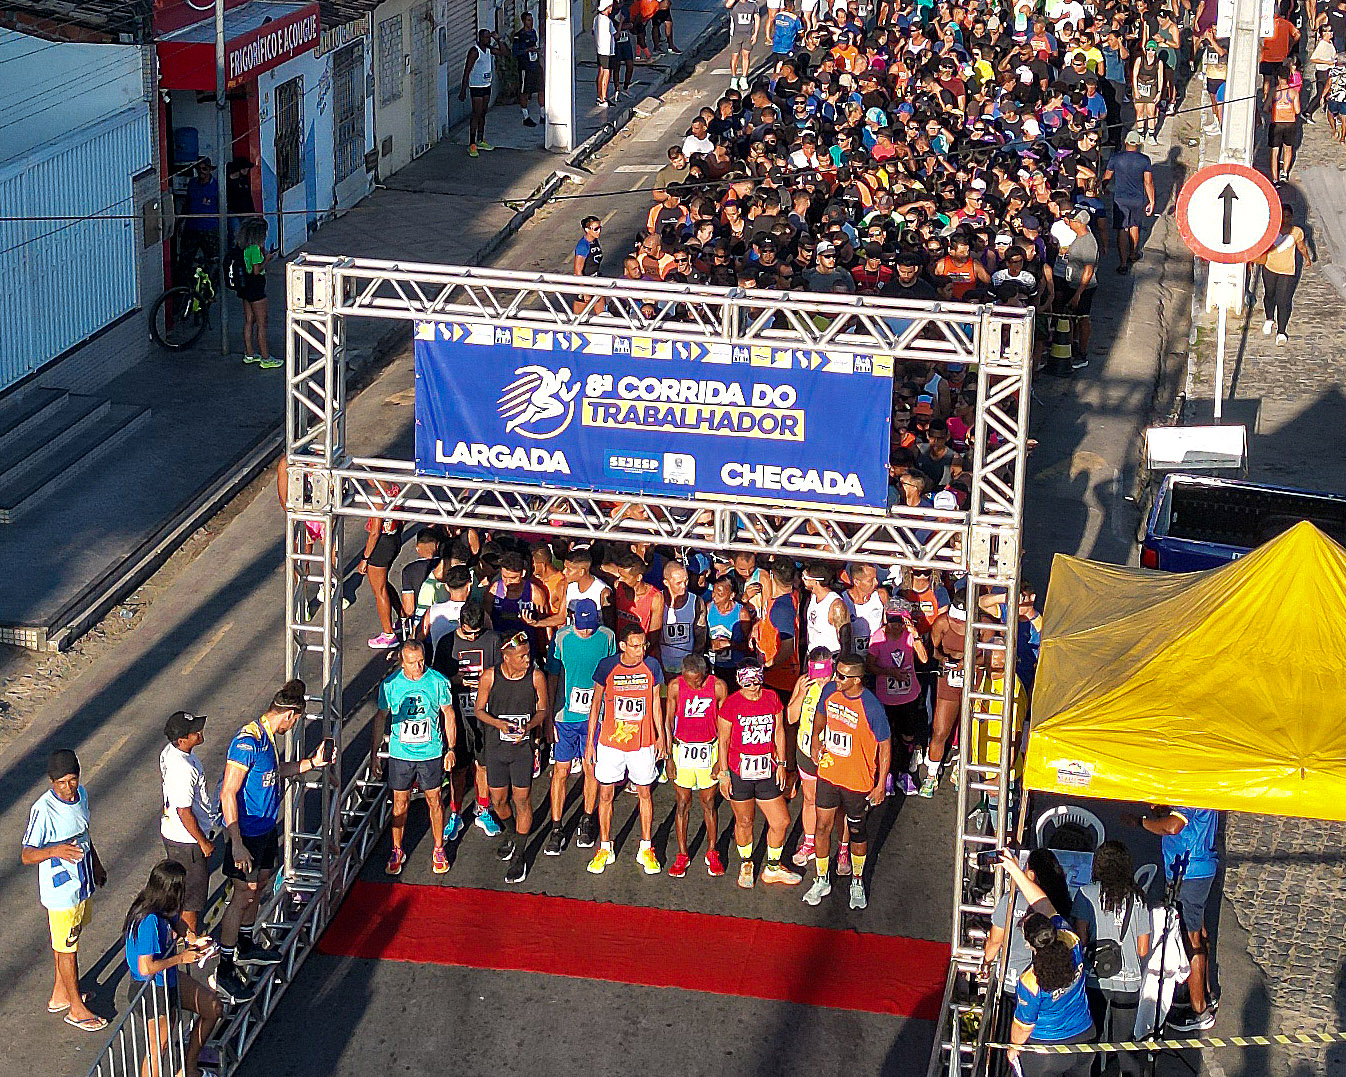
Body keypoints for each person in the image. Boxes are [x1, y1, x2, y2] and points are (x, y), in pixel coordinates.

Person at [216, 680, 333, 1004]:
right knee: (243, 894)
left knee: (262, 883)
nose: (293, 727)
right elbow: (228, 792)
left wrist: (311, 763)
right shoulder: (247, 741)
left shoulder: (267, 739)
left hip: (266, 829)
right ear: (289, 715)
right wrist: (236, 842)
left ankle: (245, 944)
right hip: (246, 833)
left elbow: (274, 771)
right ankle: (224, 969)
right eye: (295, 721)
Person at [22, 749, 108, 1031]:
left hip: (82, 883)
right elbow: (27, 854)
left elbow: (84, 833)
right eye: (61, 782)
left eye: (72, 780)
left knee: (70, 939)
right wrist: (55, 850)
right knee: (67, 948)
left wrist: (96, 864)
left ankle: (61, 993)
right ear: (51, 782)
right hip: (61, 893)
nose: (68, 787)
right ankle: (76, 1009)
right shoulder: (43, 810)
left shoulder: (82, 795)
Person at [1122, 805, 1220, 1031]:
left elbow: (1174, 826)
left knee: (1190, 939)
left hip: (1188, 871)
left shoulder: (1188, 792)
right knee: (1198, 932)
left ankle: (1199, 1010)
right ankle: (1204, 993)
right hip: (1198, 866)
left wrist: (1141, 822)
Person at [804, 655, 891, 909]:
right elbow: (820, 714)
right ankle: (822, 878)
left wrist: (881, 784)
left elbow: (885, 747)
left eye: (842, 676)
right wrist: (815, 739)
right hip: (829, 773)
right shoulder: (830, 690)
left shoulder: (872, 706)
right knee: (822, 827)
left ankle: (857, 880)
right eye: (836, 673)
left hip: (858, 780)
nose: (836, 679)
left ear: (857, 680)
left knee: (856, 831)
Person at [1001, 853, 1097, 1074]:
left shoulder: (1031, 981)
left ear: (1030, 945)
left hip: (1045, 1051)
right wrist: (1014, 869)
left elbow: (1023, 1026)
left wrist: (1013, 1048)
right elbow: (1043, 904)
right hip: (1084, 1038)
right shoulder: (1071, 941)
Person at [123, 861, 221, 1077]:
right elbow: (146, 967)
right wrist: (181, 958)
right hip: (151, 989)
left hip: (167, 979)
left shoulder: (162, 907)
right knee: (158, 1048)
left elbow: (178, 924)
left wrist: (194, 939)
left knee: (212, 1008)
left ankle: (188, 1069)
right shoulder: (148, 920)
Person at [370, 640, 458, 876]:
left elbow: (449, 714)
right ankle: (397, 849)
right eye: (412, 663)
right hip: (401, 754)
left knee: (434, 800)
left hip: (431, 752)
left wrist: (451, 748)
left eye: (421, 661)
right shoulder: (390, 685)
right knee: (399, 803)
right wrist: (374, 754)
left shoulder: (437, 681)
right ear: (402, 662)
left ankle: (439, 848)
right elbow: (380, 718)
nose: (419, 667)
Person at [585, 625, 666, 875]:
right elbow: (595, 704)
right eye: (635, 646)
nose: (641, 650)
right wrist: (590, 742)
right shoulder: (607, 666)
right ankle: (605, 847)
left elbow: (655, 703)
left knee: (645, 793)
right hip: (611, 743)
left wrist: (661, 736)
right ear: (622, 646)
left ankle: (646, 848)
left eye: (644, 645)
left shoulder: (652, 666)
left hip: (643, 742)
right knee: (605, 795)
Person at [716, 660, 801, 888]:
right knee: (745, 821)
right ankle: (746, 862)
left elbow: (780, 731)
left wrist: (782, 763)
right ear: (739, 681)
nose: (752, 687)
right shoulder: (732, 704)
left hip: (767, 770)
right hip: (739, 772)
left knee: (781, 821)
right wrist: (724, 774)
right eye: (747, 683)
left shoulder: (772, 698)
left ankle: (772, 867)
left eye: (756, 682)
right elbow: (723, 741)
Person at [475, 631, 550, 883]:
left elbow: (542, 709)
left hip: (522, 750)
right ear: (506, 657)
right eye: (522, 656)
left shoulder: (536, 677)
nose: (527, 660)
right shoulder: (490, 677)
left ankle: (520, 854)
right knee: (498, 801)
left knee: (522, 800)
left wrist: (528, 728)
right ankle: (511, 832)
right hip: (496, 748)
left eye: (528, 655)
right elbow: (479, 710)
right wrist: (499, 724)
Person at [1072, 842, 1151, 1077]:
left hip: (1095, 979)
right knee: (1125, 1045)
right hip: (1129, 982)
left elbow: (1080, 940)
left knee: (1091, 1042)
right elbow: (1143, 948)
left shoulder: (1086, 894)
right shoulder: (1138, 898)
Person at [545, 599, 616, 855]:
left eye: (591, 626)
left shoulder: (607, 636)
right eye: (583, 626)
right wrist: (548, 717)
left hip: (595, 716)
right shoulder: (561, 638)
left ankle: (586, 818)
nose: (587, 631)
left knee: (590, 767)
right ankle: (556, 826)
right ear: (573, 619)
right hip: (565, 716)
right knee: (561, 770)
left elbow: (612, 675)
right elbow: (552, 677)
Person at [433, 600, 504, 838]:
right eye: (468, 633)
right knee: (459, 768)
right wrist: (457, 680)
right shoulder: (446, 643)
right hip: (459, 715)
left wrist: (486, 682)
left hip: (486, 714)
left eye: (477, 633)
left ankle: (482, 809)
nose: (473, 637)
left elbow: (502, 672)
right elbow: (437, 680)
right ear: (460, 624)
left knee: (483, 765)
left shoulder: (493, 639)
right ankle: (455, 813)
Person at [665, 653, 728, 877]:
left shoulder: (718, 687)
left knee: (709, 802)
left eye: (699, 681)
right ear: (683, 674)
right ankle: (682, 854)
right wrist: (668, 756)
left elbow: (725, 725)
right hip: (682, 749)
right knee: (682, 802)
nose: (695, 685)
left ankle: (712, 851)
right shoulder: (675, 687)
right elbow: (668, 721)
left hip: (708, 748)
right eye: (691, 681)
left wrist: (721, 759)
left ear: (705, 673)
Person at [159, 711, 217, 936]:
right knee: (191, 900)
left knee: (180, 891)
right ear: (181, 739)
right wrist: (203, 842)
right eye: (194, 732)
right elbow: (184, 811)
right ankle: (189, 941)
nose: (199, 732)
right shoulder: (184, 769)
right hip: (188, 842)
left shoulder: (169, 753)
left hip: (173, 833)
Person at [867, 597, 928, 789]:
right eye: (892, 621)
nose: (895, 627)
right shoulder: (878, 637)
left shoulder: (910, 636)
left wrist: (915, 636)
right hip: (886, 698)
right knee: (888, 737)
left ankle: (904, 772)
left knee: (907, 737)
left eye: (900, 622)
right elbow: (870, 666)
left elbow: (924, 659)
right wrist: (890, 672)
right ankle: (888, 774)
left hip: (909, 696)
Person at [785, 647, 833, 867]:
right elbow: (791, 718)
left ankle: (841, 847)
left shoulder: (839, 685)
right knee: (810, 798)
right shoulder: (804, 683)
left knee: (835, 803)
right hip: (806, 752)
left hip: (831, 754)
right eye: (818, 676)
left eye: (825, 676)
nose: (822, 681)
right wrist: (801, 695)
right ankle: (809, 842)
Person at [1255, 204, 1313, 344]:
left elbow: (1301, 246)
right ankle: (1269, 318)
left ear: (1291, 217)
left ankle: (1281, 331)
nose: (1285, 220)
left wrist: (1307, 258)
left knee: (1283, 300)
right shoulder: (1271, 230)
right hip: (1270, 267)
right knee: (1270, 295)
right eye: (1283, 216)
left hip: (1287, 270)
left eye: (1288, 217)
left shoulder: (1297, 232)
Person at [1053, 207, 1099, 368]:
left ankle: (1082, 354)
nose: (1069, 223)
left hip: (1083, 287)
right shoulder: (1079, 238)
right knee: (1072, 317)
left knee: (1083, 318)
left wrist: (1079, 293)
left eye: (1072, 220)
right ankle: (1072, 346)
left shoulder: (1088, 242)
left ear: (1079, 223)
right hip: (1071, 284)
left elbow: (1088, 270)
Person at [357, 484, 403, 649]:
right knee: (383, 583)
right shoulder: (395, 489)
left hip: (381, 545)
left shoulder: (378, 498)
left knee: (379, 590)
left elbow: (375, 532)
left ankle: (388, 634)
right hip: (394, 540)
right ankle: (403, 617)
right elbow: (402, 518)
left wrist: (365, 558)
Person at [1103, 132, 1155, 273]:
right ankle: (1133, 253)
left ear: (1125, 142)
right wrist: (1151, 201)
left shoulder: (1116, 158)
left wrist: (1103, 188)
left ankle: (1123, 263)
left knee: (1122, 228)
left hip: (1120, 199)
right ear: (1138, 145)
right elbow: (1148, 182)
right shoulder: (1144, 160)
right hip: (1137, 199)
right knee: (1134, 226)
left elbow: (1107, 177)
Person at [235, 216, 276, 368]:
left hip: (245, 287)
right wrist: (267, 259)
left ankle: (249, 353)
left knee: (249, 321)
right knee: (262, 323)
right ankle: (266, 358)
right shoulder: (255, 249)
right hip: (256, 288)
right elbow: (257, 270)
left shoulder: (244, 248)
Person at [460, 29, 507, 157]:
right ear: (480, 38)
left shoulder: (489, 50)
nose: (488, 40)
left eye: (489, 37)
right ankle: (472, 143)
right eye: (486, 37)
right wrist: (463, 89)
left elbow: (503, 53)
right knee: (476, 113)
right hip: (476, 86)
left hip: (486, 85)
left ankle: (480, 139)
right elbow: (467, 70)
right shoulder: (475, 51)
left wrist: (498, 40)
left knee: (483, 113)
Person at [178, 157, 220, 273]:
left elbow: (221, 206)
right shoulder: (192, 183)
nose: (201, 171)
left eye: (204, 169)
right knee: (185, 260)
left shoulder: (217, 186)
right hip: (192, 227)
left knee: (213, 261)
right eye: (198, 169)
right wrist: (180, 222)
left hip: (209, 229)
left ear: (210, 170)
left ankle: (212, 283)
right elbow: (187, 204)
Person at [1267, 63, 1302, 182]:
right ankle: (1284, 173)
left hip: (1276, 123)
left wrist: (1275, 109)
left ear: (1278, 77)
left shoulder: (1273, 91)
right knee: (1288, 149)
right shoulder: (1294, 92)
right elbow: (1297, 110)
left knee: (1274, 152)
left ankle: (1274, 178)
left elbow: (1266, 108)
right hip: (1289, 123)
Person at [1130, 41, 1166, 143]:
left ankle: (1151, 134)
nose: (1150, 52)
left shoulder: (1159, 63)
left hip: (1151, 87)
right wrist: (1136, 91)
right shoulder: (1140, 60)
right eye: (1148, 49)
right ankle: (1141, 133)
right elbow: (1134, 75)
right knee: (1140, 111)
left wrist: (1159, 92)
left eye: (1153, 50)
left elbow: (1160, 78)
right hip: (1140, 86)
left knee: (1151, 112)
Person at [514, 12, 545, 127]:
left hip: (535, 66)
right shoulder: (519, 36)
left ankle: (542, 115)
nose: (530, 22)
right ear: (523, 21)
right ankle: (526, 116)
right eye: (528, 20)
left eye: (531, 20)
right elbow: (515, 52)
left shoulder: (533, 33)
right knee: (525, 92)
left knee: (541, 90)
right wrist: (527, 50)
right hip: (525, 67)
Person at [727, 0, 762, 91]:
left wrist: (755, 34)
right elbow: (727, 5)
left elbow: (757, 19)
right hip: (736, 35)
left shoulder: (753, 5)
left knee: (746, 55)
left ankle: (744, 77)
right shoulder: (735, 4)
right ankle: (734, 78)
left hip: (748, 35)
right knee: (735, 56)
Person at [594, 1, 618, 107]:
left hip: (599, 49)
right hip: (607, 50)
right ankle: (603, 98)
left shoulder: (596, 19)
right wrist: (620, 24)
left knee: (600, 71)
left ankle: (599, 95)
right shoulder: (607, 21)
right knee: (606, 73)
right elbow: (615, 34)